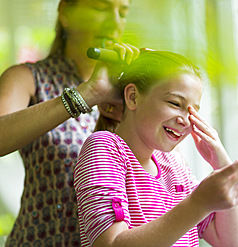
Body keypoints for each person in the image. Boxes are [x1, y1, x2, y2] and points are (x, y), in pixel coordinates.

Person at [74, 51, 238, 247]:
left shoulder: (175, 166)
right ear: (133, 97)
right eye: (175, 103)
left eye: (193, 111)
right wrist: (198, 203)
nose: (186, 120)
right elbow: (110, 244)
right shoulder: (104, 148)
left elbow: (230, 243)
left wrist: (222, 165)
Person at [0, 0, 140, 246]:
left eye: (123, 12)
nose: (116, 21)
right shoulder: (27, 77)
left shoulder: (131, 91)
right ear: (65, 13)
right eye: (101, 7)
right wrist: (88, 94)